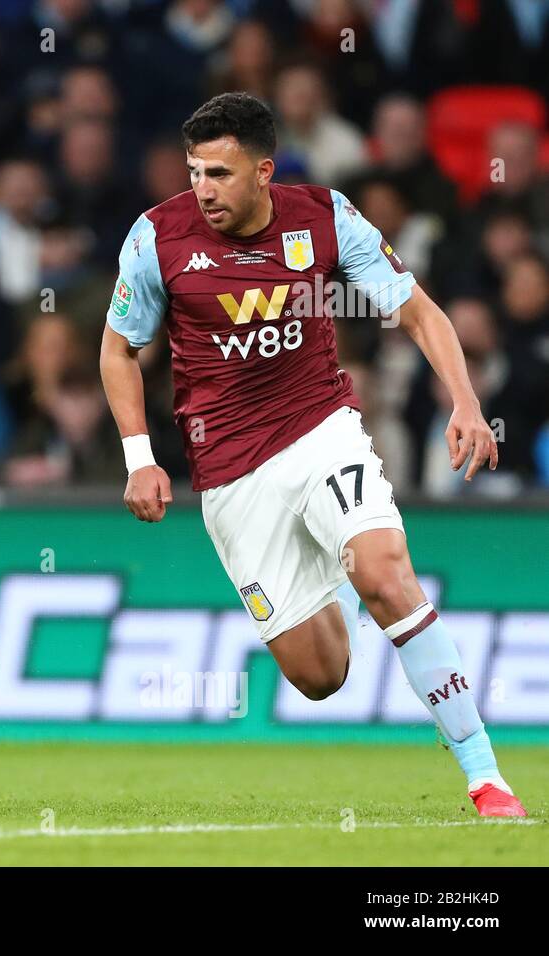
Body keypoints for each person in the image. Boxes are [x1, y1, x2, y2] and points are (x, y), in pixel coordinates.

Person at [99, 92, 524, 817]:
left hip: (319, 429)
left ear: (265, 171)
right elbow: (117, 350)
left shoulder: (325, 216)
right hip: (231, 472)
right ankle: (340, 562)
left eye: (221, 175)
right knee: (321, 675)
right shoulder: (155, 237)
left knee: (388, 575)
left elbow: (416, 309)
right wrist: (140, 456)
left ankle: (487, 780)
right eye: (196, 172)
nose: (204, 190)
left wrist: (465, 400)